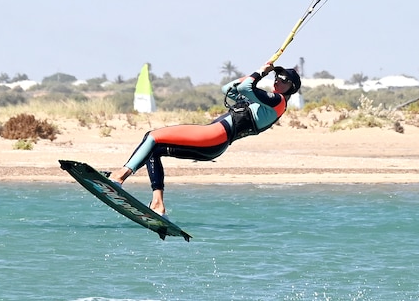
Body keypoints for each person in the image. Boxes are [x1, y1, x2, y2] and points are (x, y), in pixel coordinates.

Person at [110, 61, 301, 216]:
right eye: (277, 76)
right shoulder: (266, 101)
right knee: (154, 150)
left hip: (214, 135)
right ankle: (158, 204)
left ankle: (120, 176)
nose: (278, 80)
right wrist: (259, 73)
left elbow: (245, 87)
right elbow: (227, 89)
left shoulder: (277, 101)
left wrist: (260, 72)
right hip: (215, 144)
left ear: (291, 88)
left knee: (151, 137)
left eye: (284, 79)